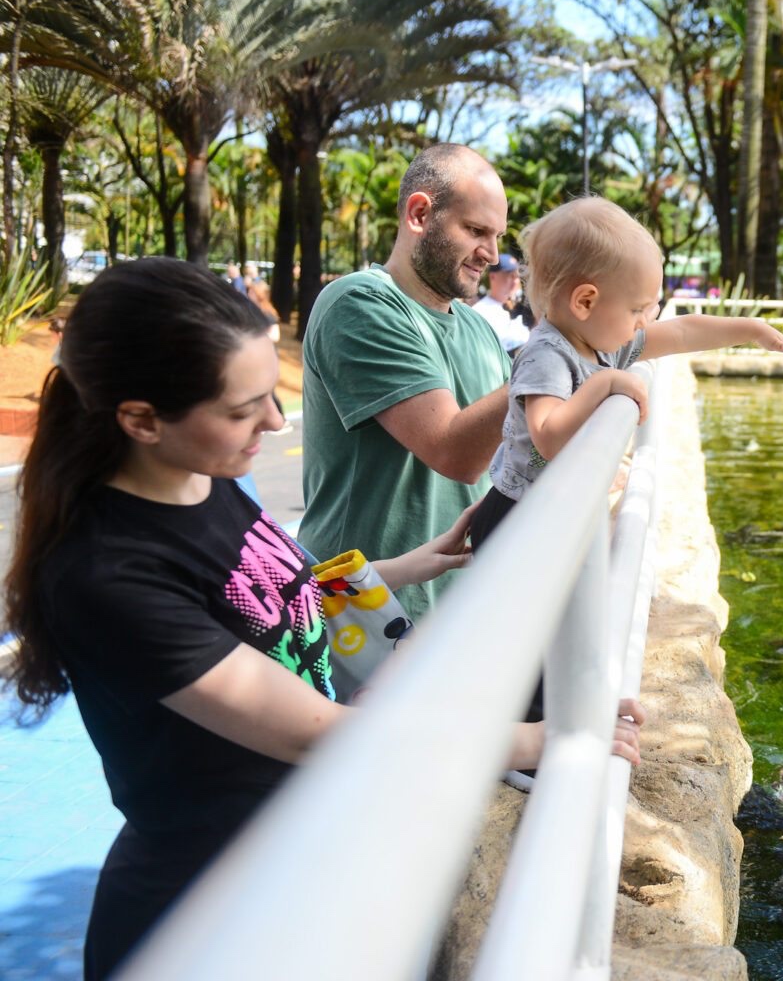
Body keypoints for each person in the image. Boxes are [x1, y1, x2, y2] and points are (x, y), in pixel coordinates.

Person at [0, 258, 643, 980]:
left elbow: (274, 590)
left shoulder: (199, 477)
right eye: (244, 411)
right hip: (206, 913)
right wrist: (547, 737)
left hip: (291, 858)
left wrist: (407, 564)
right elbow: (319, 738)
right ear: (141, 420)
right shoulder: (109, 574)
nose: (274, 423)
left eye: (270, 398)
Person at [469, 195, 783, 547]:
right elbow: (547, 436)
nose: (643, 323)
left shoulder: (605, 343)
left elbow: (682, 332)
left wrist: (751, 330)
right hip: (516, 519)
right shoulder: (547, 354)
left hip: (552, 511)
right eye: (637, 309)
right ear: (585, 302)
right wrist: (606, 383)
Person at [300, 144, 512, 618]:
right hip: (367, 619)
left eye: (497, 235)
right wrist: (560, 354)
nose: (493, 255)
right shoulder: (358, 304)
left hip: (458, 614)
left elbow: (519, 439)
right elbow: (454, 453)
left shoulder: (478, 328)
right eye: (477, 231)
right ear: (419, 214)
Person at [471, 253, 532, 353]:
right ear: (493, 277)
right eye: (510, 275)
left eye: (517, 276)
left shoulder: (525, 307)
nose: (515, 281)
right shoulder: (479, 312)